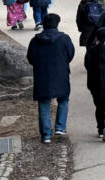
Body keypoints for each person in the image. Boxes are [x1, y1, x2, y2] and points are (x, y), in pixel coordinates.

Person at [26, 13, 75, 143]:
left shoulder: (35, 40)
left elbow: (31, 58)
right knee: (63, 100)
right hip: (61, 73)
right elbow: (70, 54)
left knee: (44, 104)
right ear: (57, 24)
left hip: (42, 75)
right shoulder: (64, 39)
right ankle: (60, 127)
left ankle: (46, 134)